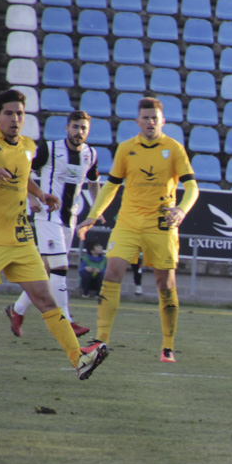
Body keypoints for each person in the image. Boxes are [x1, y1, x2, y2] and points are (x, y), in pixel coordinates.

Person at [0, 89, 107, 379]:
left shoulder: (27, 145)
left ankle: (79, 359)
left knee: (45, 299)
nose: (15, 119)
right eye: (10, 113)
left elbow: (21, 179)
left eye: (20, 114)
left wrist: (40, 194)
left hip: (20, 237)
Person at [77, 97, 198, 363]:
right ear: (138, 121)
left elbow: (192, 187)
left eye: (155, 118)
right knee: (112, 271)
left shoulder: (174, 149)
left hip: (161, 225)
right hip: (129, 223)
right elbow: (111, 185)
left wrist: (181, 210)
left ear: (163, 121)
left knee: (164, 283)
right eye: (146, 118)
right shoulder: (126, 149)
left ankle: (167, 346)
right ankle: (100, 340)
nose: (151, 122)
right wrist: (93, 215)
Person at [5, 110, 98, 338]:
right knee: (60, 267)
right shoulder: (50, 149)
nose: (79, 132)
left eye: (83, 128)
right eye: (75, 127)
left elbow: (94, 183)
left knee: (46, 271)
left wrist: (97, 210)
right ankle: (67, 320)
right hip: (47, 215)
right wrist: (32, 197)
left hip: (70, 219)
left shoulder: (91, 154)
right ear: (67, 128)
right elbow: (22, 170)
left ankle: (16, 310)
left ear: (88, 131)